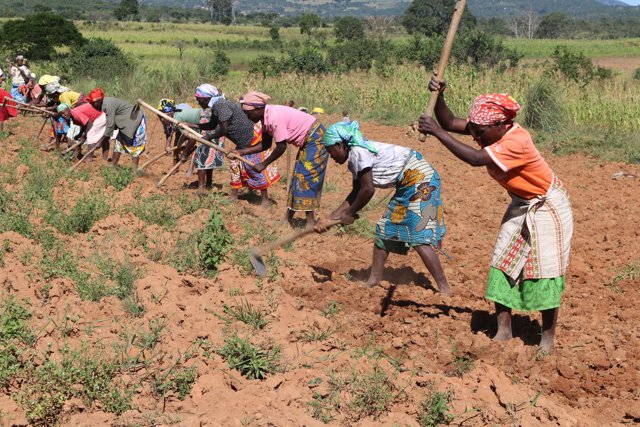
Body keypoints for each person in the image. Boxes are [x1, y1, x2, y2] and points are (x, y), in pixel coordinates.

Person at [418, 77, 573, 353]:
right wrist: (439, 96)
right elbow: (450, 121)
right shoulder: (490, 129)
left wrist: (436, 133)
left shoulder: (517, 141)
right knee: (502, 261)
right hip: (521, 202)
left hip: (546, 205)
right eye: (474, 131)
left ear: (501, 125)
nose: (476, 137)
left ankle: (547, 338)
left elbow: (475, 159)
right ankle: (503, 330)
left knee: (544, 270)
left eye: (480, 132)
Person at [315, 121, 451, 294]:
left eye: (330, 151)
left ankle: (444, 288)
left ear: (340, 144)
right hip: (407, 182)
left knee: (418, 236)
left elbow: (367, 189)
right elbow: (356, 191)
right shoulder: (355, 157)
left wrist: (348, 213)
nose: (331, 157)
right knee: (385, 228)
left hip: (420, 179)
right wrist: (331, 217)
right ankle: (374, 279)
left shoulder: (358, 152)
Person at [241, 91, 329, 229]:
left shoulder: (274, 117)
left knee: (305, 178)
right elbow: (265, 144)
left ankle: (310, 223)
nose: (247, 117)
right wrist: (241, 152)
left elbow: (281, 147)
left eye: (248, 113)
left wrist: (263, 164)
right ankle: (287, 219)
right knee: (298, 177)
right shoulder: (265, 118)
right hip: (309, 140)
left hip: (316, 139)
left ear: (258, 109)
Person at [184, 85, 280, 207]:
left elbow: (223, 129)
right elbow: (212, 125)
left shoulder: (221, 105)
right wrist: (192, 125)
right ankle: (234, 196)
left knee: (253, 167)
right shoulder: (216, 106)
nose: (197, 101)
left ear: (206, 97)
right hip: (242, 142)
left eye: (199, 98)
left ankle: (265, 201)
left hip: (251, 138)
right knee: (235, 165)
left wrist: (208, 137)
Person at [177, 85, 226, 196]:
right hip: (217, 135)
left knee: (202, 159)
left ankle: (201, 187)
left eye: (199, 100)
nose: (198, 103)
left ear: (206, 99)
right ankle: (208, 184)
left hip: (209, 136)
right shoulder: (215, 108)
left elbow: (194, 138)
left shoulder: (205, 114)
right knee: (209, 160)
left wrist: (185, 153)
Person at [88, 88, 146, 167]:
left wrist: (100, 141)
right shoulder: (104, 104)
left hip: (135, 119)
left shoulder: (107, 104)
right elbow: (111, 123)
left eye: (93, 103)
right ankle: (113, 165)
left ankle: (134, 170)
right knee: (119, 142)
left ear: (98, 101)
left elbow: (110, 125)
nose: (92, 106)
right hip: (125, 121)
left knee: (134, 144)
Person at [157, 98, 200, 165]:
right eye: (159, 117)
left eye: (162, 117)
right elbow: (169, 132)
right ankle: (175, 166)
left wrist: (184, 152)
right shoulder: (165, 119)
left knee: (190, 144)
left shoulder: (177, 119)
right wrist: (167, 146)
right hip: (182, 124)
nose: (161, 119)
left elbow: (191, 136)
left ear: (170, 114)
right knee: (178, 143)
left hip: (196, 123)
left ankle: (189, 167)